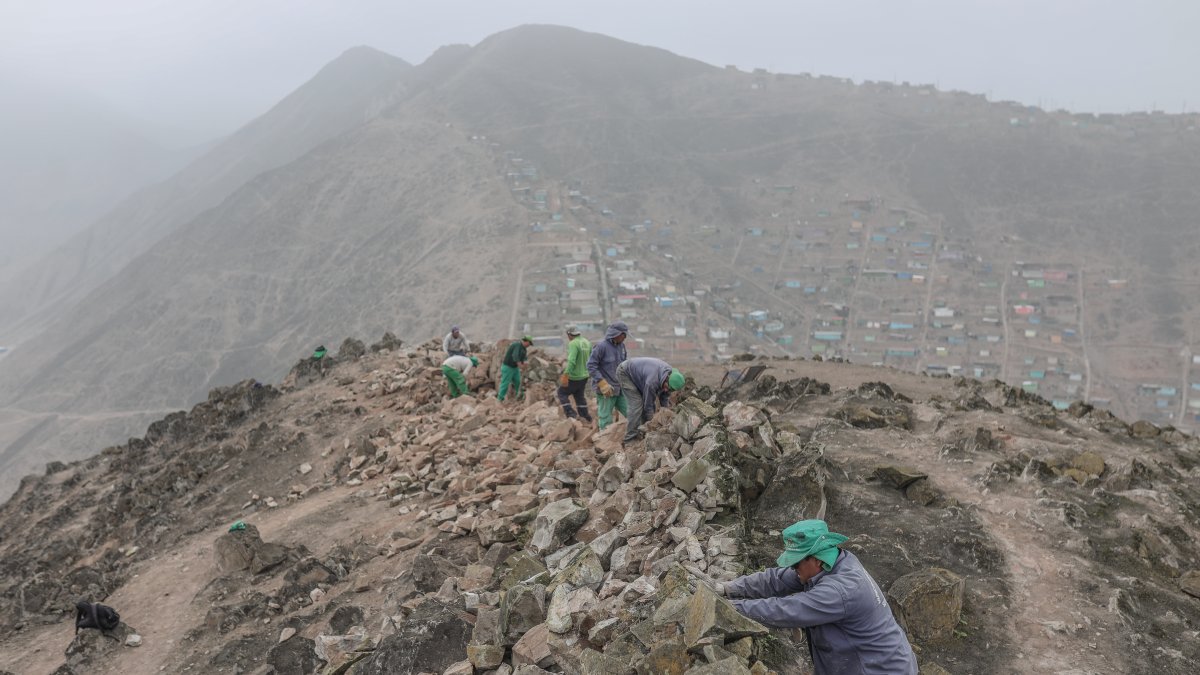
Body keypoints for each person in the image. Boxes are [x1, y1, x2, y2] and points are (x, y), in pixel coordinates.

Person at [716, 520, 918, 675]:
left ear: (817, 559)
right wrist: (727, 588)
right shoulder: (832, 562)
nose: (793, 568)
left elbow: (786, 610)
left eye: (796, 563)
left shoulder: (841, 591)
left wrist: (730, 608)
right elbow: (775, 579)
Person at [615, 356, 684, 443]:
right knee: (637, 405)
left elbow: (664, 398)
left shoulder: (670, 378)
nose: (667, 390)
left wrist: (665, 414)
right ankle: (630, 439)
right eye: (667, 387)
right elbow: (648, 405)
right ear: (667, 379)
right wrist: (651, 424)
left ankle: (642, 431)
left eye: (670, 389)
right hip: (625, 372)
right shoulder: (652, 382)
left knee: (648, 406)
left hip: (640, 376)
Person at [587, 321, 629, 430]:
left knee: (630, 412)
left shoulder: (622, 347)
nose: (625, 337)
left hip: (619, 388)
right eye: (624, 335)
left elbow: (624, 365)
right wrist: (601, 382)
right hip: (606, 390)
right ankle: (605, 442)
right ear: (617, 334)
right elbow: (591, 365)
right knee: (606, 419)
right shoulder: (601, 347)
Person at [557, 326, 593, 422]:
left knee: (561, 393)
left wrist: (566, 374)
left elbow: (572, 361)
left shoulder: (573, 343)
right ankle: (585, 416)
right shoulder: (587, 342)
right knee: (579, 395)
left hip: (574, 376)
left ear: (569, 334)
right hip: (584, 375)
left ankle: (571, 413)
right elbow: (591, 358)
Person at [498, 335, 533, 402]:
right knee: (505, 383)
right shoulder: (517, 345)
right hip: (508, 367)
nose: (529, 345)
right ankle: (499, 399)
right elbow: (515, 356)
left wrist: (525, 364)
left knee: (518, 382)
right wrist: (520, 366)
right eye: (529, 343)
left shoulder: (524, 349)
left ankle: (520, 396)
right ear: (526, 341)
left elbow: (524, 358)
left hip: (514, 368)